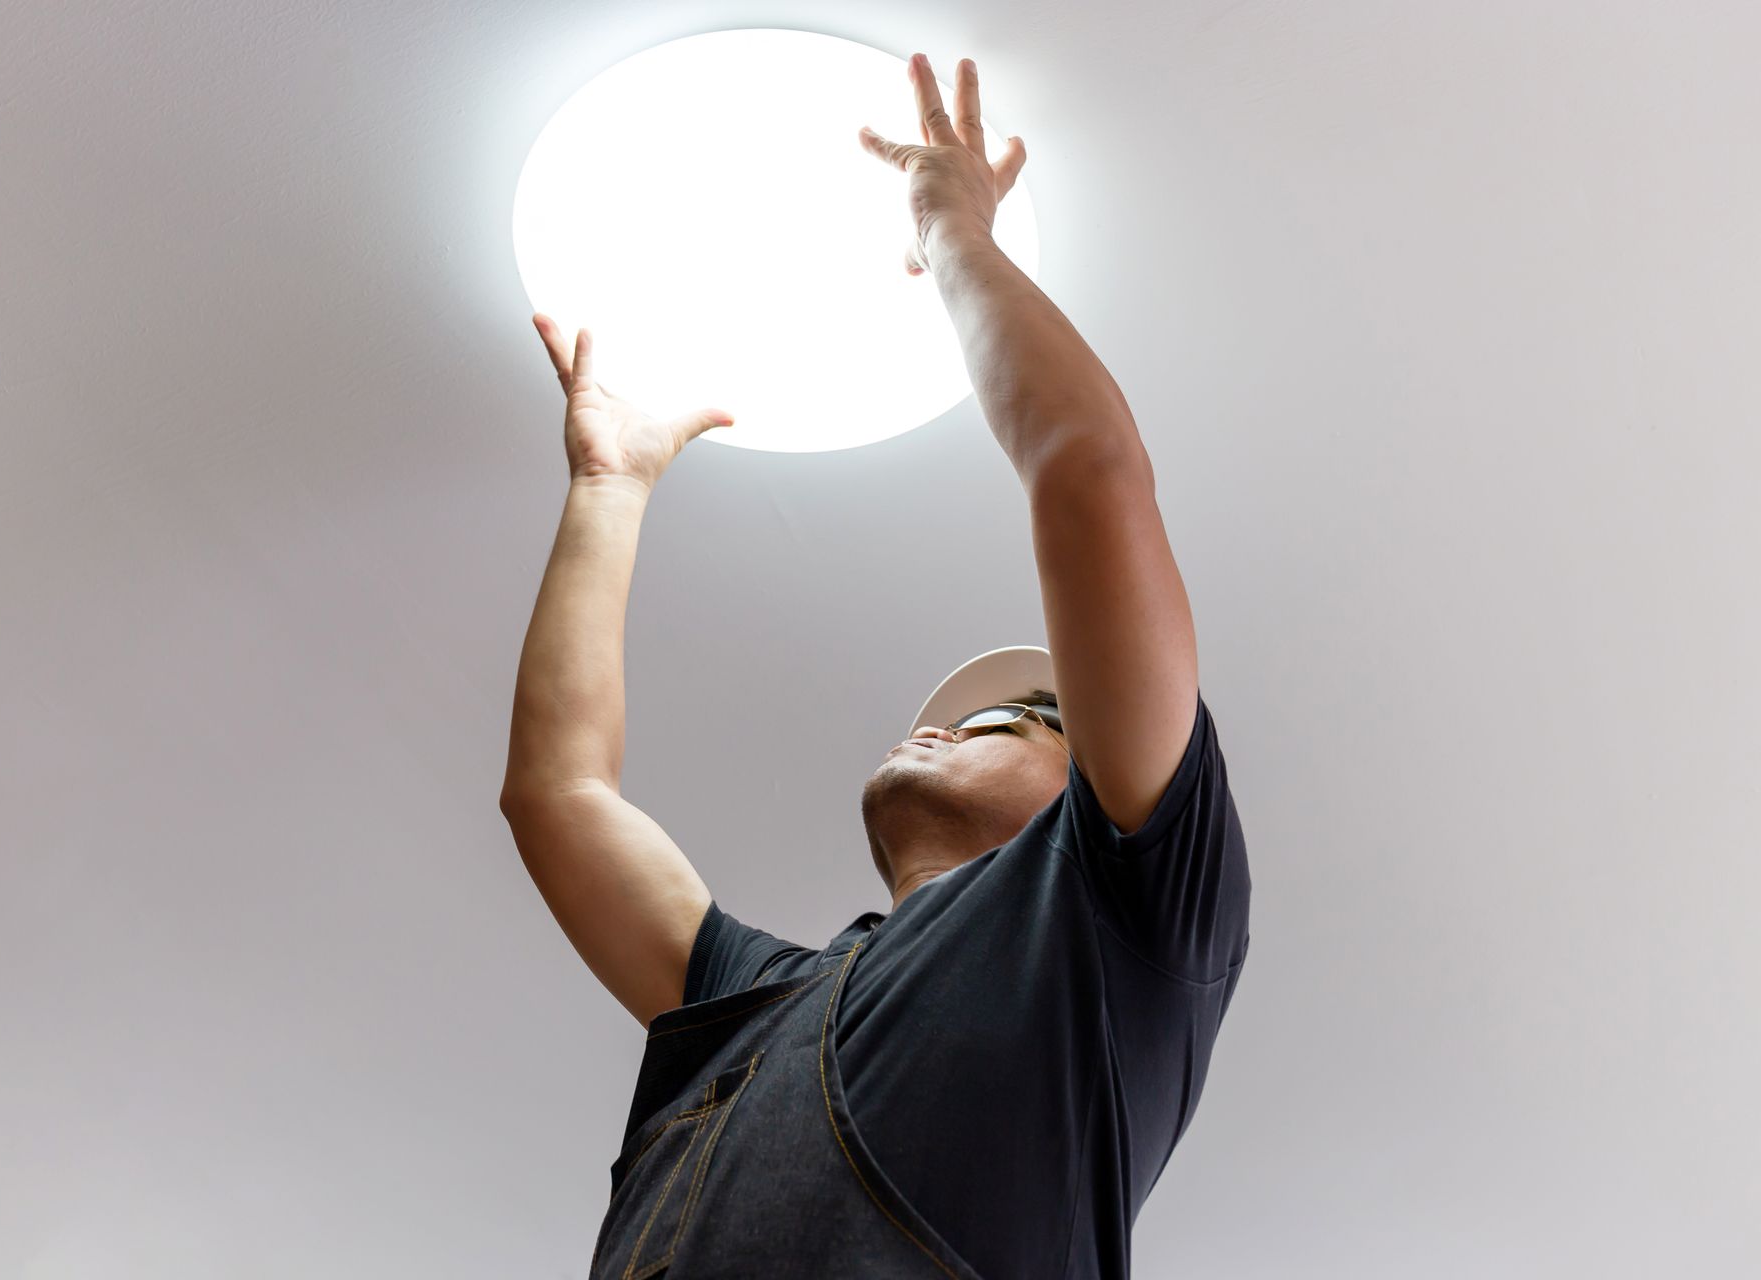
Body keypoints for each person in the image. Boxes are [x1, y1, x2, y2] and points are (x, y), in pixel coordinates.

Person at [500, 51, 1251, 1279]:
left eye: (1008, 718)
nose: (941, 725)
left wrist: (952, 230)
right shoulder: (755, 996)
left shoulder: (1124, 930)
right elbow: (558, 793)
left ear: (1086, 791)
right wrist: (609, 483)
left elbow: (1089, 472)